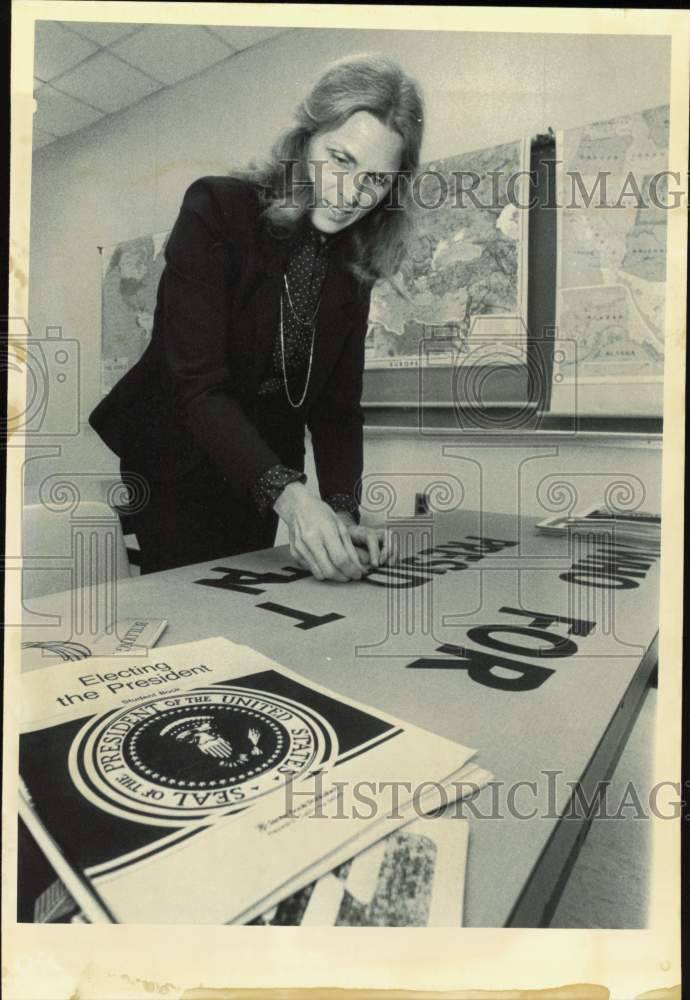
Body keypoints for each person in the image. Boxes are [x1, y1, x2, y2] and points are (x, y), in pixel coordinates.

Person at [89, 55, 424, 579]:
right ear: (305, 139)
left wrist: (341, 510)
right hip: (176, 450)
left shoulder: (355, 261)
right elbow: (196, 385)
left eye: (377, 179)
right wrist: (292, 499)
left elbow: (338, 407)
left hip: (265, 465)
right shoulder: (216, 208)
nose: (351, 194)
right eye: (341, 159)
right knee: (194, 607)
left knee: (247, 597)